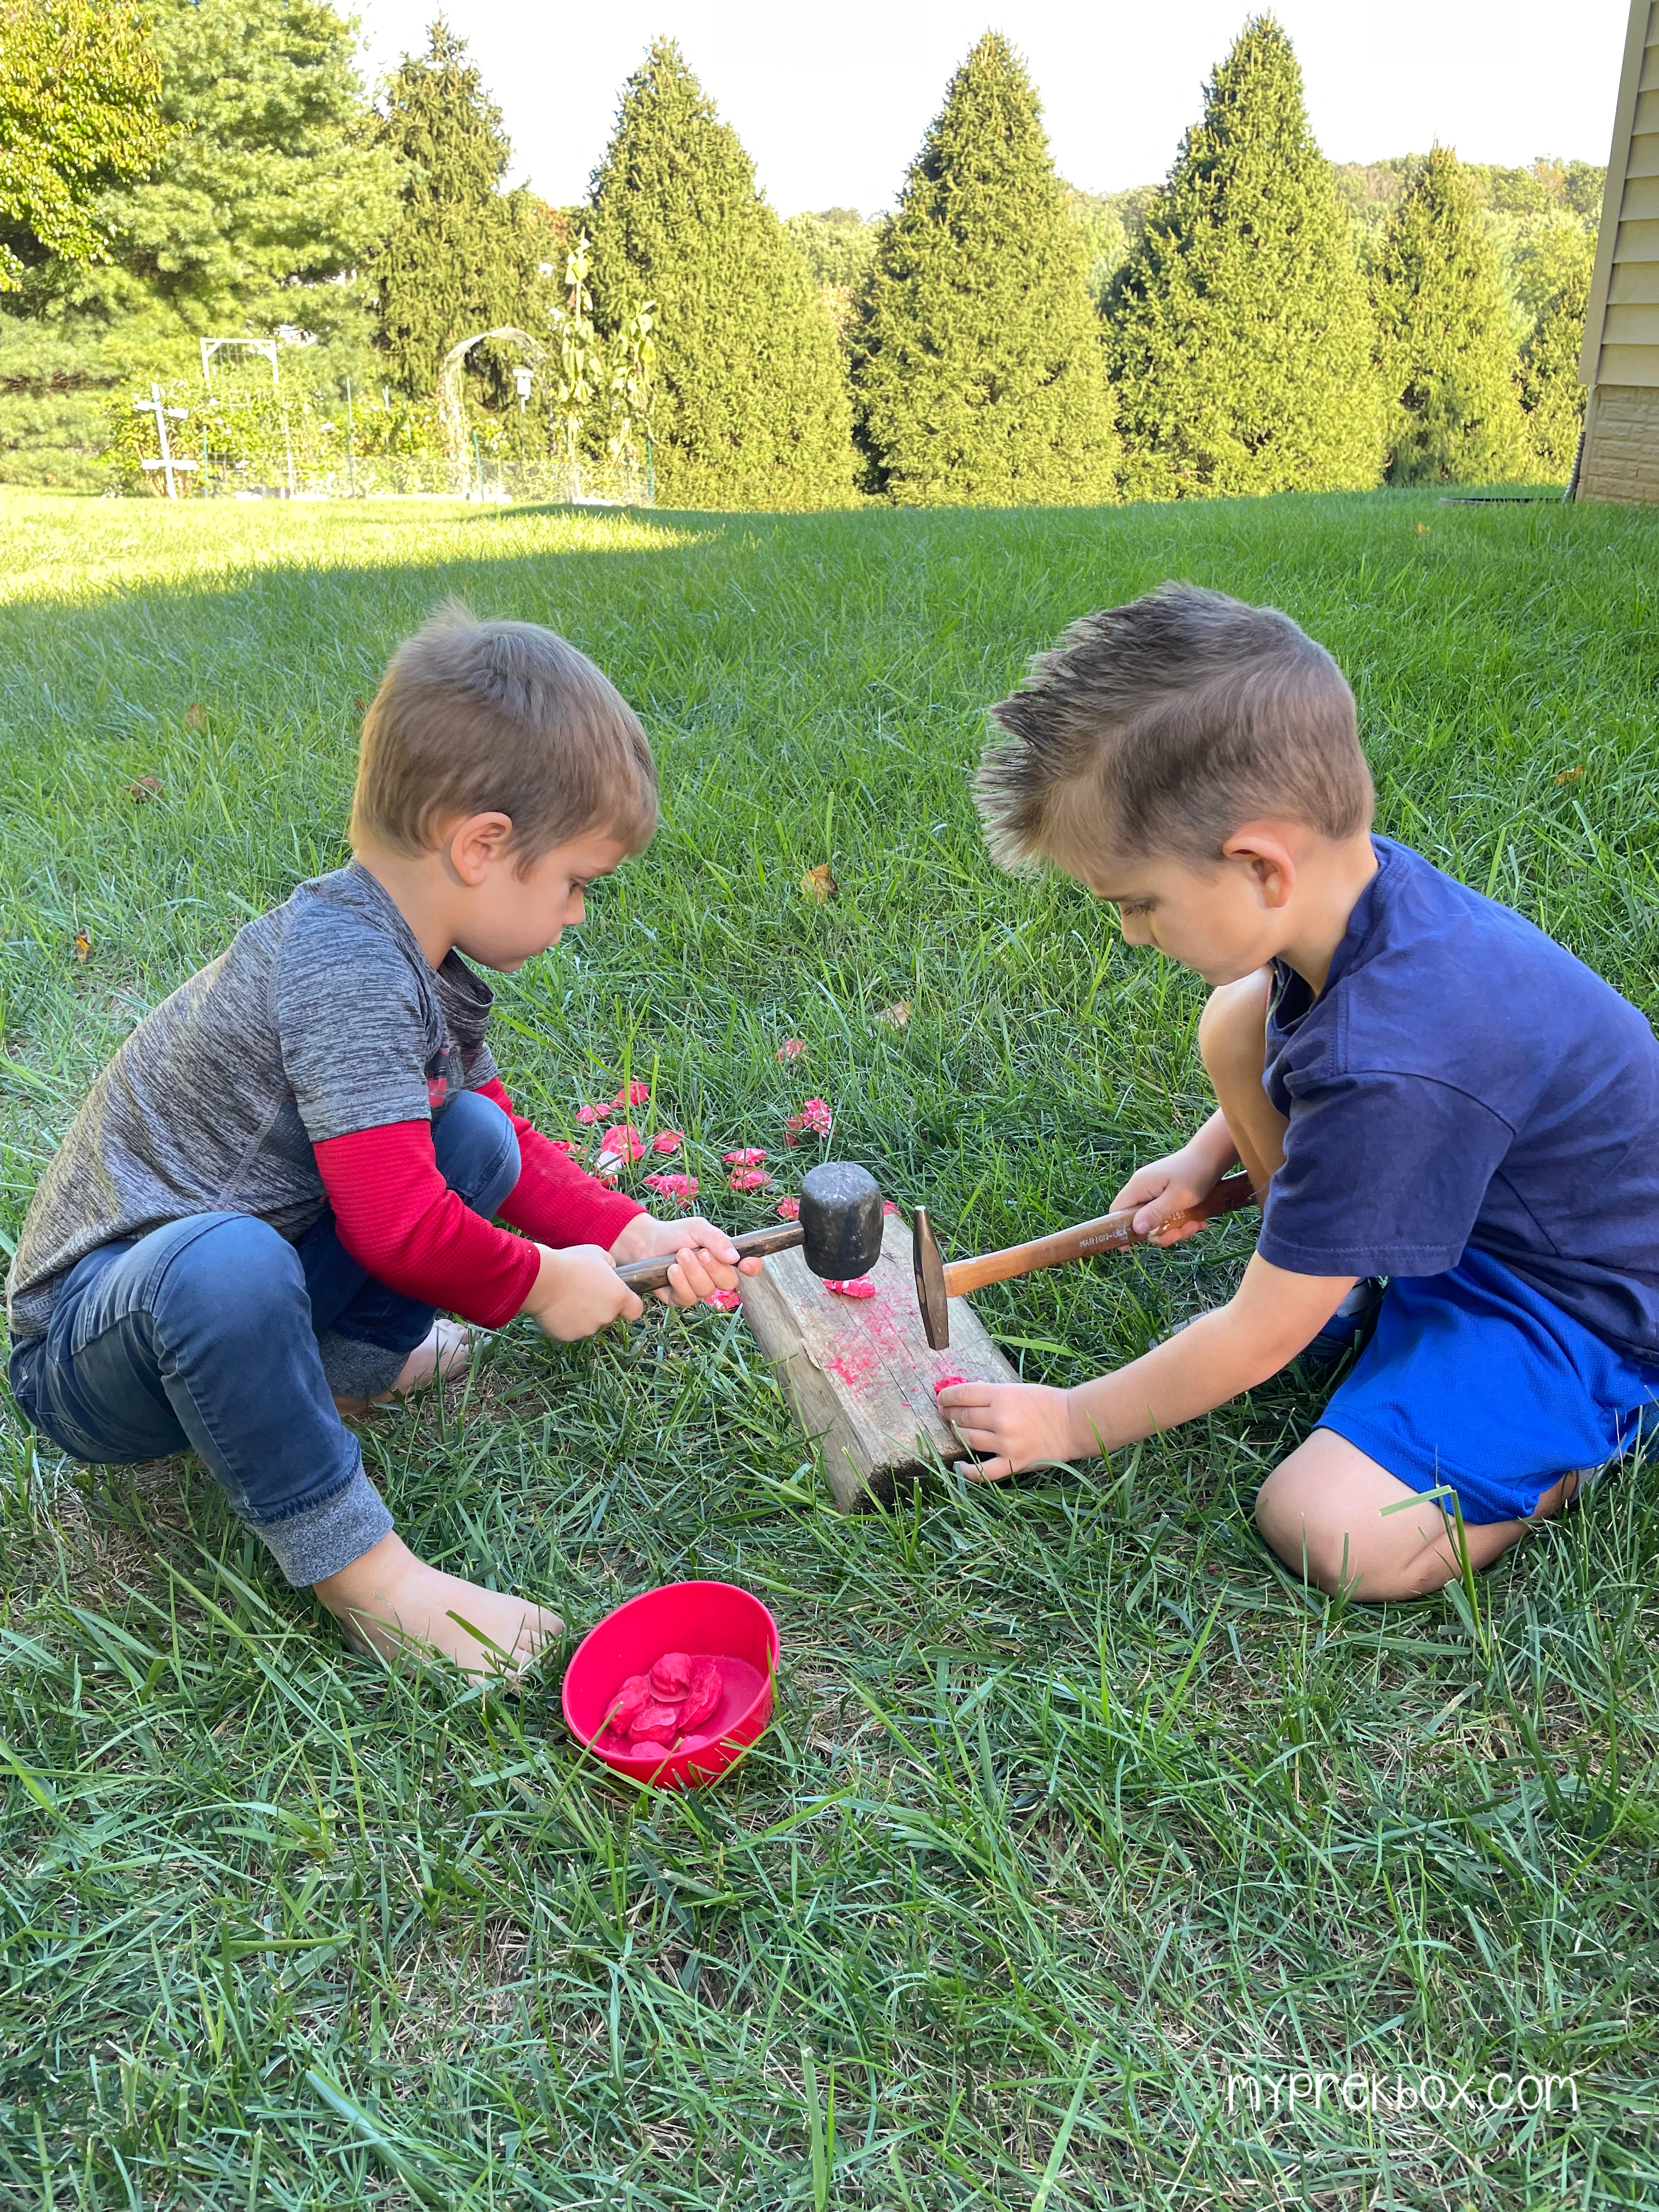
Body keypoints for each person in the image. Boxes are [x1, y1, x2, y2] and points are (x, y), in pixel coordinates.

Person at [5, 608, 761, 1677]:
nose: (580, 913)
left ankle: (341, 1373)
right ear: (482, 845)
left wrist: (632, 1228)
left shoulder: (407, 954)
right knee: (230, 1264)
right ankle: (371, 1581)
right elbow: (397, 1224)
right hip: (98, 1348)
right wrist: (545, 1282)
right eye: (576, 883)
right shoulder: (348, 971)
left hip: (229, 1286)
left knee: (468, 1138)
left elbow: (492, 1142)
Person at [939, 583, 1659, 1600]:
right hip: (1471, 1214)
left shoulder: (1398, 1063)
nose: (1134, 933)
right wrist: (1205, 1156)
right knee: (1238, 1016)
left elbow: (1259, 1335)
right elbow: (1301, 1038)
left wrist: (1071, 1419)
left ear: (1260, 866)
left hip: (1579, 1305)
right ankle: (1364, 1278)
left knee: (1327, 1529)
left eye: (1140, 904)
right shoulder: (1357, 900)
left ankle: (1575, 1440)